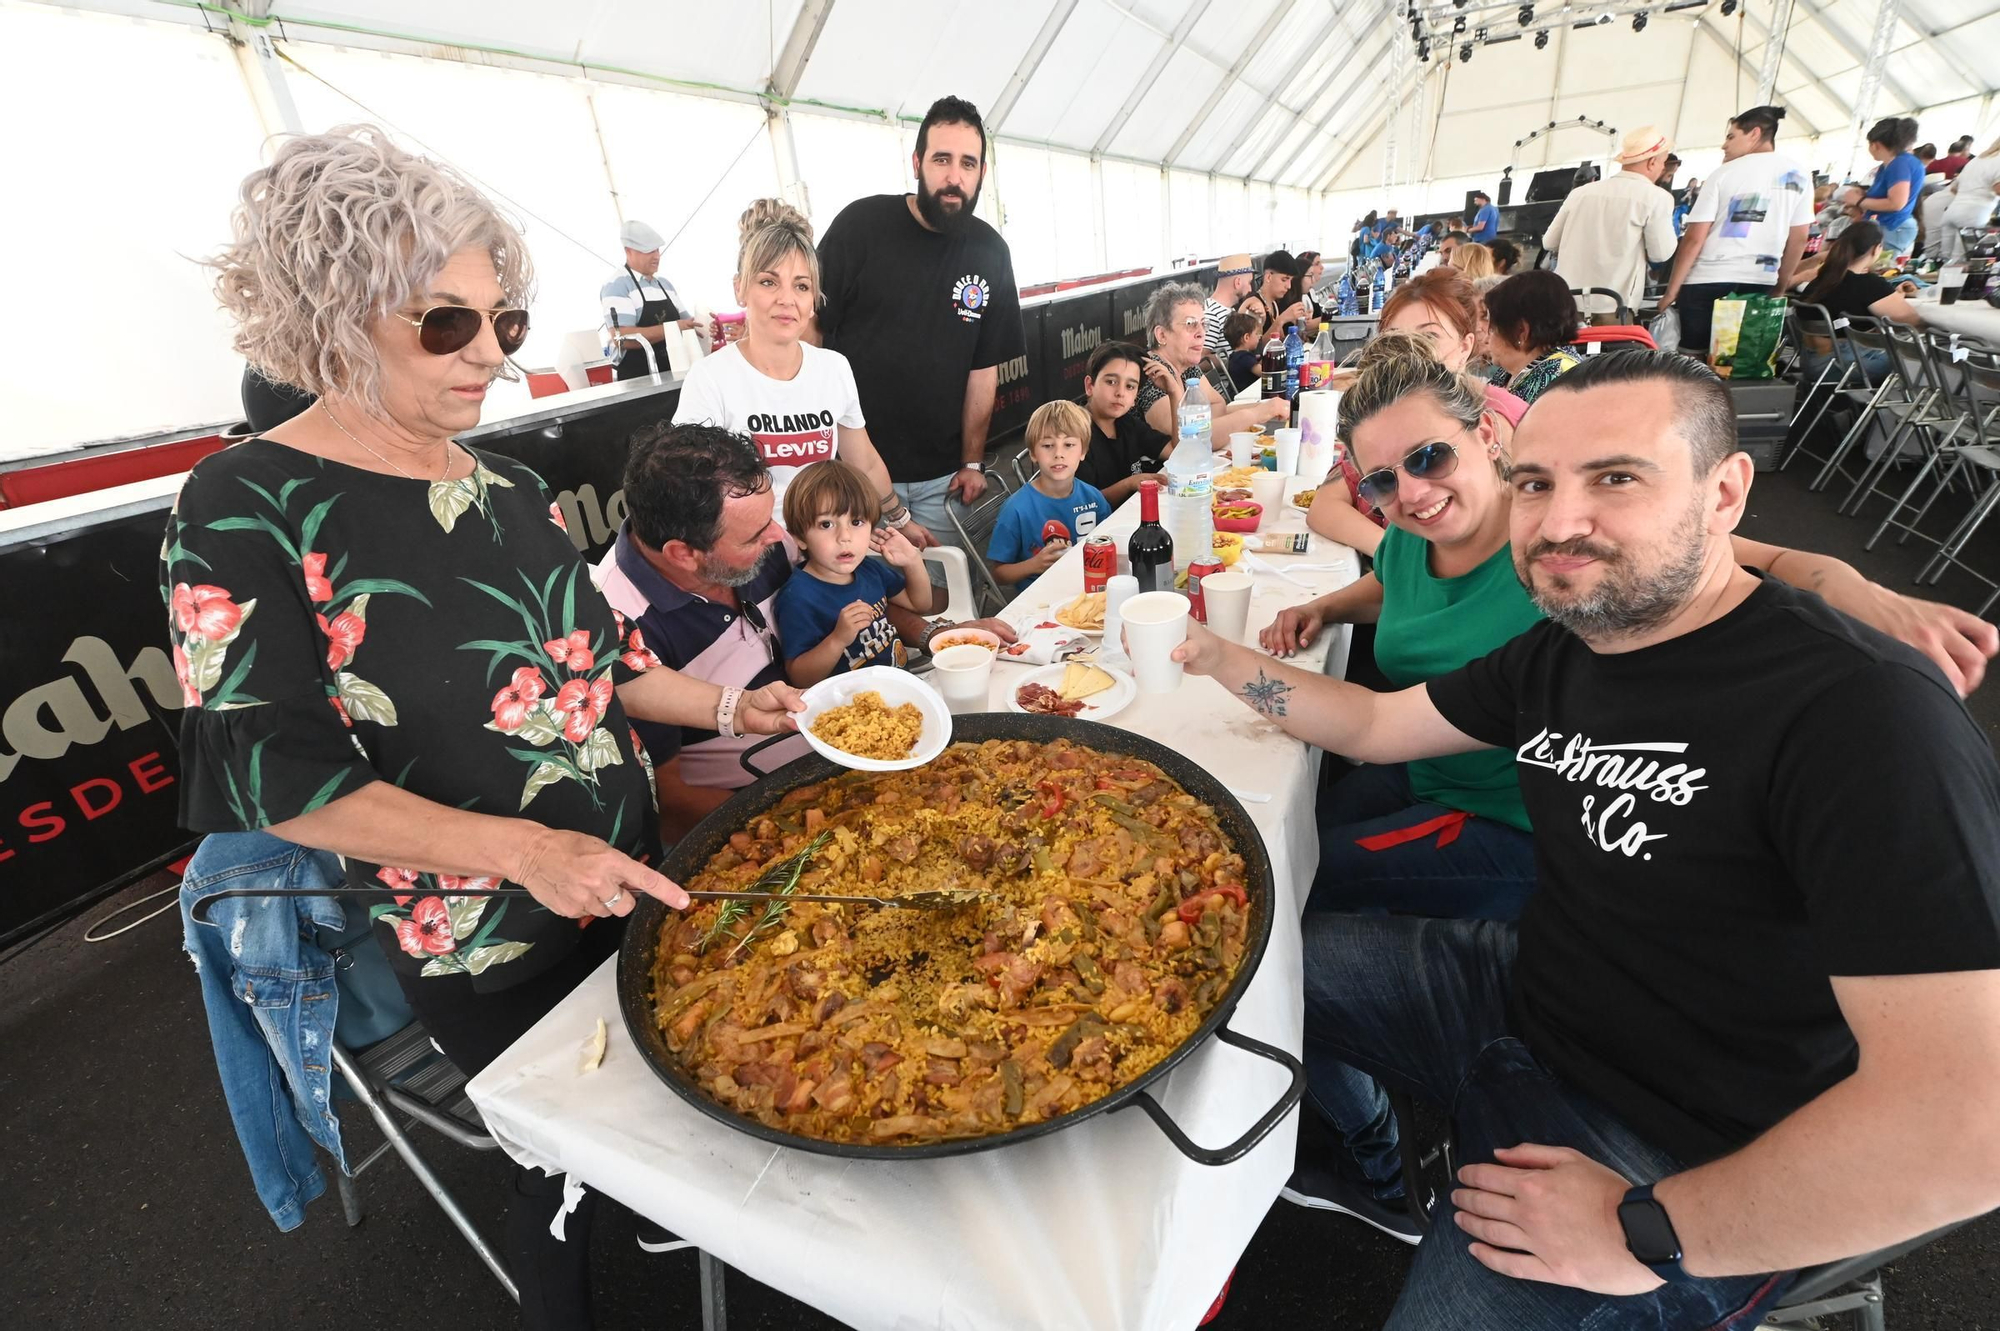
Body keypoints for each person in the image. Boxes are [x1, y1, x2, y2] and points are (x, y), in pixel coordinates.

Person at [1174, 350, 2000, 1328]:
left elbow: (1967, 1124)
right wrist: (1206, 654)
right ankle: (1370, 1166)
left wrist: (1648, 1227)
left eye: (1614, 478)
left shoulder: (1857, 712)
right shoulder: (1566, 644)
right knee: (1236, 960)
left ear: (1724, 491)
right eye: (1536, 483)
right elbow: (1370, 726)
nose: (1558, 522)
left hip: (1680, 1149)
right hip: (1525, 996)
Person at [178, 127, 803, 1329]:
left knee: (695, 1098)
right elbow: (274, 775)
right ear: (334, 310)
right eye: (444, 321)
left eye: (502, 319)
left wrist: (733, 702)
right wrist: (528, 852)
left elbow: (603, 666)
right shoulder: (242, 501)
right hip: (479, 931)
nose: (491, 356)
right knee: (556, 1167)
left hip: (625, 873)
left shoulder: (503, 486)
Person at [1269, 331, 1963, 943]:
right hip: (1425, 760)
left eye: (1429, 458)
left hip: (1514, 814)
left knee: (1300, 882)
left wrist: (1856, 587)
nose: (1413, 492)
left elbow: (1740, 554)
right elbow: (1392, 585)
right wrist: (1326, 608)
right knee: (1292, 831)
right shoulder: (1411, 536)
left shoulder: (1556, 544)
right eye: (1386, 479)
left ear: (1485, 437)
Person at [814, 96, 1025, 560]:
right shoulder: (860, 227)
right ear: (916, 163)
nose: (954, 176)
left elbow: (983, 369)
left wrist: (972, 461)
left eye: (968, 163)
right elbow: (812, 335)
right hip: (851, 477)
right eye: (941, 159)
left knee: (939, 609)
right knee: (863, 613)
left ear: (982, 174)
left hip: (941, 482)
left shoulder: (992, 252)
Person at [592, 423, 811, 841]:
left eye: (770, 517)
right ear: (683, 554)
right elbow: (668, 799)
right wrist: (788, 833)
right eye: (753, 534)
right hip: (754, 806)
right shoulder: (618, 624)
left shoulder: (770, 543)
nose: (777, 535)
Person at [672, 198, 932, 545]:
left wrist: (900, 520)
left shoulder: (832, 367)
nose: (787, 299)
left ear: (814, 300)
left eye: (801, 285)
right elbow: (690, 490)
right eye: (768, 282)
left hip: (825, 552)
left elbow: (864, 461)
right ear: (740, 288)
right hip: (752, 557)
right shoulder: (710, 379)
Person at [1308, 268, 1529, 557]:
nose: (1411, 352)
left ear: (1465, 346)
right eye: (1397, 337)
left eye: (1430, 336)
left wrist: (1401, 560)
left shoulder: (1502, 420)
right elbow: (1326, 504)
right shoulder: (1384, 420)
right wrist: (1398, 560)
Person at [1659, 105, 1813, 357]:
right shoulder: (1799, 175)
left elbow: (1694, 239)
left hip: (1706, 280)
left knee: (1693, 363)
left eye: (1731, 136)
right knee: (1742, 363)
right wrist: (1780, 285)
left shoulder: (1723, 173)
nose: (1724, 145)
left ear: (1754, 133)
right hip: (1759, 281)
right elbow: (1799, 238)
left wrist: (1672, 291)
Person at [775, 460, 933, 686]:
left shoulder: (868, 570)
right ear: (799, 538)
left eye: (856, 521)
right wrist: (837, 639)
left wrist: (912, 561)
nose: (844, 536)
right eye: (826, 525)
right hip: (852, 708)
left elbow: (920, 604)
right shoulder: (798, 597)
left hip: (900, 687)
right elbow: (799, 677)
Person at [1541, 126, 1679, 321]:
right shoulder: (1656, 198)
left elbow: (1549, 242)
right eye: (1662, 163)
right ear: (1652, 162)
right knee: (1613, 352)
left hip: (1567, 303)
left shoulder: (1580, 193)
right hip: (1615, 306)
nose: (1662, 169)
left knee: (1563, 352)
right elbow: (1661, 253)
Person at [1131, 281, 1287, 442]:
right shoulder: (1150, 372)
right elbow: (1189, 438)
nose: (1201, 333)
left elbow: (1218, 406)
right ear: (1162, 335)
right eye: (1190, 324)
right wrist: (1257, 413)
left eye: (1204, 324)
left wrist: (1267, 407)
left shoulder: (1187, 366)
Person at [987, 400, 1112, 588]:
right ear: (1033, 454)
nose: (1058, 454)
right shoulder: (1016, 509)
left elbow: (1109, 546)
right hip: (1039, 598)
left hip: (1087, 588)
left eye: (1069, 444)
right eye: (1047, 445)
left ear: (1083, 451)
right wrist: (1034, 565)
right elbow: (998, 574)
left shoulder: (1093, 497)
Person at [600, 219, 698, 380]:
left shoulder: (665, 285)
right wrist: (674, 328)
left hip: (674, 375)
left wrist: (705, 325)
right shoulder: (617, 285)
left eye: (657, 250)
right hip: (638, 382)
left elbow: (687, 323)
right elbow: (622, 338)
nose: (656, 256)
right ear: (628, 251)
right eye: (648, 251)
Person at [1075, 341, 1172, 504]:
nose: (1120, 393)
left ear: (1136, 397)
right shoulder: (1074, 433)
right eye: (1111, 382)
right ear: (1089, 386)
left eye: (1130, 386)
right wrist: (1128, 484)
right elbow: (1084, 505)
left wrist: (1173, 392)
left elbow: (1175, 452)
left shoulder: (1127, 423)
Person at [1482, 272, 1583, 404]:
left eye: (1493, 329)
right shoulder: (1511, 371)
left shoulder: (1558, 379)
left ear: (1521, 331)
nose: (1486, 338)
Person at [1855, 116, 1926, 259]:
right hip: (1890, 226)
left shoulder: (1899, 164)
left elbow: (1896, 203)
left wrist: (1858, 201)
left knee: (1878, 269)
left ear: (1875, 144)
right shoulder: (1891, 165)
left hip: (1892, 226)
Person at [1940, 134, 2000, 263]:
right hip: (1973, 216)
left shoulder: (1978, 159)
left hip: (1952, 211)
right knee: (1962, 263)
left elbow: (1953, 188)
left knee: (1945, 261)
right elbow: (1998, 188)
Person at [1240, 249, 1306, 342]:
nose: (1289, 286)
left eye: (1290, 280)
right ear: (1268, 277)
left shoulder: (1274, 304)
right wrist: (1282, 320)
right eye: (1284, 279)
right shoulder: (1253, 305)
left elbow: (1279, 342)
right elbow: (1252, 348)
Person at [1204, 253, 1255, 356]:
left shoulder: (1225, 311)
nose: (1250, 289)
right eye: (1249, 282)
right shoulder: (1212, 315)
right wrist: (1233, 361)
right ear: (1238, 282)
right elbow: (1200, 361)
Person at [1222, 310, 1264, 393]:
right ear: (1246, 337)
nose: (1259, 337)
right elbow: (1264, 373)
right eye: (1256, 334)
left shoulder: (1236, 356)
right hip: (1245, 398)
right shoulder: (1243, 358)